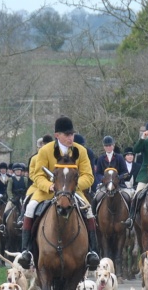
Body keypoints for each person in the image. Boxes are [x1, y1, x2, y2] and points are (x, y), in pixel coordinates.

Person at [24, 115, 100, 270]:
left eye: (72, 134)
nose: (70, 137)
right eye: (67, 135)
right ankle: (27, 251)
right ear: (57, 135)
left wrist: (72, 186)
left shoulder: (81, 151)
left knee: (89, 211)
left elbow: (89, 176)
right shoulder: (45, 151)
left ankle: (92, 252)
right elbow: (37, 174)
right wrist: (49, 186)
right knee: (30, 208)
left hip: (72, 192)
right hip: (48, 192)